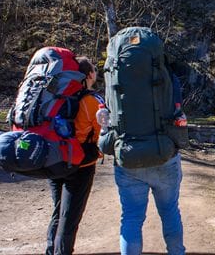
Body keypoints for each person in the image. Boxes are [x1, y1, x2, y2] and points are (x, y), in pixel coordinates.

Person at [113, 71, 186, 255]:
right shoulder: (168, 76)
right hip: (164, 155)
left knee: (131, 218)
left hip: (129, 157)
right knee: (170, 212)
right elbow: (178, 112)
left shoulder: (116, 76)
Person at [46, 56, 103, 255]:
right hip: (81, 164)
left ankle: (50, 250)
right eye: (94, 70)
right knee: (69, 218)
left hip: (54, 158)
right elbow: (101, 132)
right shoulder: (91, 100)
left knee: (58, 210)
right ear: (88, 75)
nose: (96, 73)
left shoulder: (57, 96)